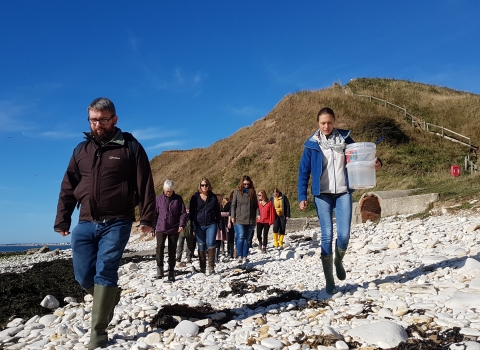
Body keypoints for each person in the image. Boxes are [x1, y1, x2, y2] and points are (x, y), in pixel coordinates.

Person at [54, 97, 155, 349]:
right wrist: (62, 218)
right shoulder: (80, 150)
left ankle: (98, 332)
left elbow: (145, 184)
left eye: (103, 119)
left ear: (115, 119)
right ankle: (109, 297)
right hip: (85, 221)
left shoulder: (130, 146)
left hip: (117, 221)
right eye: (93, 119)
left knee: (106, 270)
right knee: (82, 275)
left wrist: (147, 218)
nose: (97, 124)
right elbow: (68, 186)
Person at [297, 107, 382, 295]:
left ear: (334, 122)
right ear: (318, 124)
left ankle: (338, 261)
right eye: (322, 123)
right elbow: (303, 172)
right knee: (326, 235)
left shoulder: (345, 140)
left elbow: (360, 155)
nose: (326, 126)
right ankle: (329, 279)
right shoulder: (312, 145)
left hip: (343, 192)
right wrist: (302, 196)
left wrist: (376, 162)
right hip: (322, 195)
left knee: (344, 235)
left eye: (329, 122)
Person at [152, 180, 187, 283]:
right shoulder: (158, 199)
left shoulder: (178, 199)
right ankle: (160, 268)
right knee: (159, 248)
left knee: (172, 250)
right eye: (167, 191)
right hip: (161, 228)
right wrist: (153, 228)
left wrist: (182, 224)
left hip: (174, 228)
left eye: (170, 191)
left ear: (173, 190)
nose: (168, 193)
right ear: (163, 189)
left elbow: (183, 214)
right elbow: (154, 215)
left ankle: (171, 271)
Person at [189, 178, 221, 275]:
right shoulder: (195, 197)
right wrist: (193, 225)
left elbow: (217, 211)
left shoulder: (213, 197)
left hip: (211, 224)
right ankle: (203, 268)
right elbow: (192, 213)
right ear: (200, 186)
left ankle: (211, 267)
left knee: (211, 244)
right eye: (202, 185)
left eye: (206, 185)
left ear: (209, 186)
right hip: (199, 225)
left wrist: (219, 223)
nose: (204, 187)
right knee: (201, 246)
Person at [231, 175, 259, 264]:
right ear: (242, 184)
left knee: (247, 238)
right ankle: (239, 255)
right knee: (241, 235)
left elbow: (256, 206)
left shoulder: (252, 192)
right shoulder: (237, 192)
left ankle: (245, 256)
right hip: (239, 218)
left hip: (250, 219)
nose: (246, 185)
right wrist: (232, 216)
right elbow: (233, 205)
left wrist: (258, 215)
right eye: (244, 184)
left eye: (248, 184)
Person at [215, 194, 228, 263]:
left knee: (217, 242)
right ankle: (215, 257)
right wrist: (228, 214)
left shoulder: (219, 206)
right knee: (217, 242)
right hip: (218, 226)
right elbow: (219, 214)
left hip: (219, 226)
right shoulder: (217, 206)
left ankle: (216, 257)